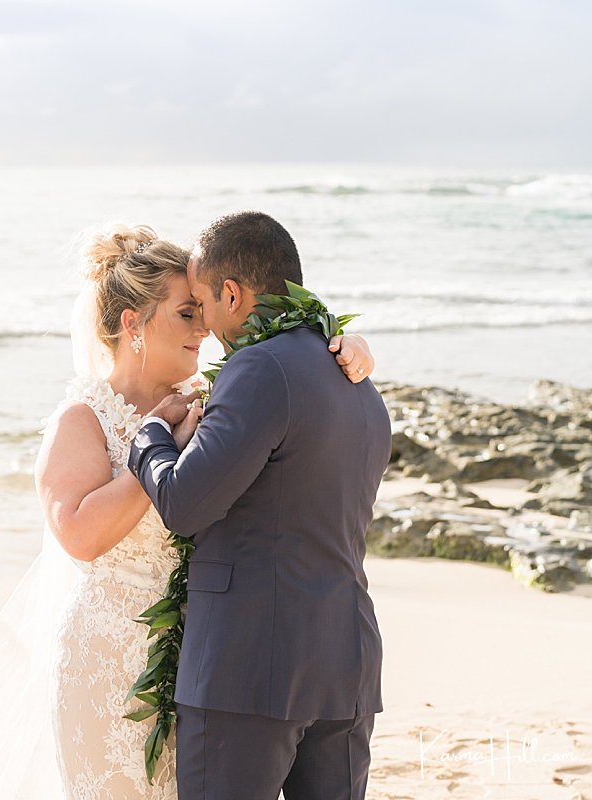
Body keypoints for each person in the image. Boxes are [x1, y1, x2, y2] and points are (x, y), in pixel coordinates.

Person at [0, 223, 376, 799]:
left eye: (202, 310)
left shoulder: (217, 397)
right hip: (111, 661)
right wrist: (158, 451)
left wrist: (344, 348)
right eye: (186, 313)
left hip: (203, 659)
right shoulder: (83, 418)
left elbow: (290, 439)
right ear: (133, 325)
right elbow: (78, 535)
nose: (204, 330)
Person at [129, 212, 390, 800]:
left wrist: (149, 435)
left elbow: (183, 502)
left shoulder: (257, 368)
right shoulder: (358, 380)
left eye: (201, 302)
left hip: (250, 669)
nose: (206, 323)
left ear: (231, 293)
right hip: (345, 665)